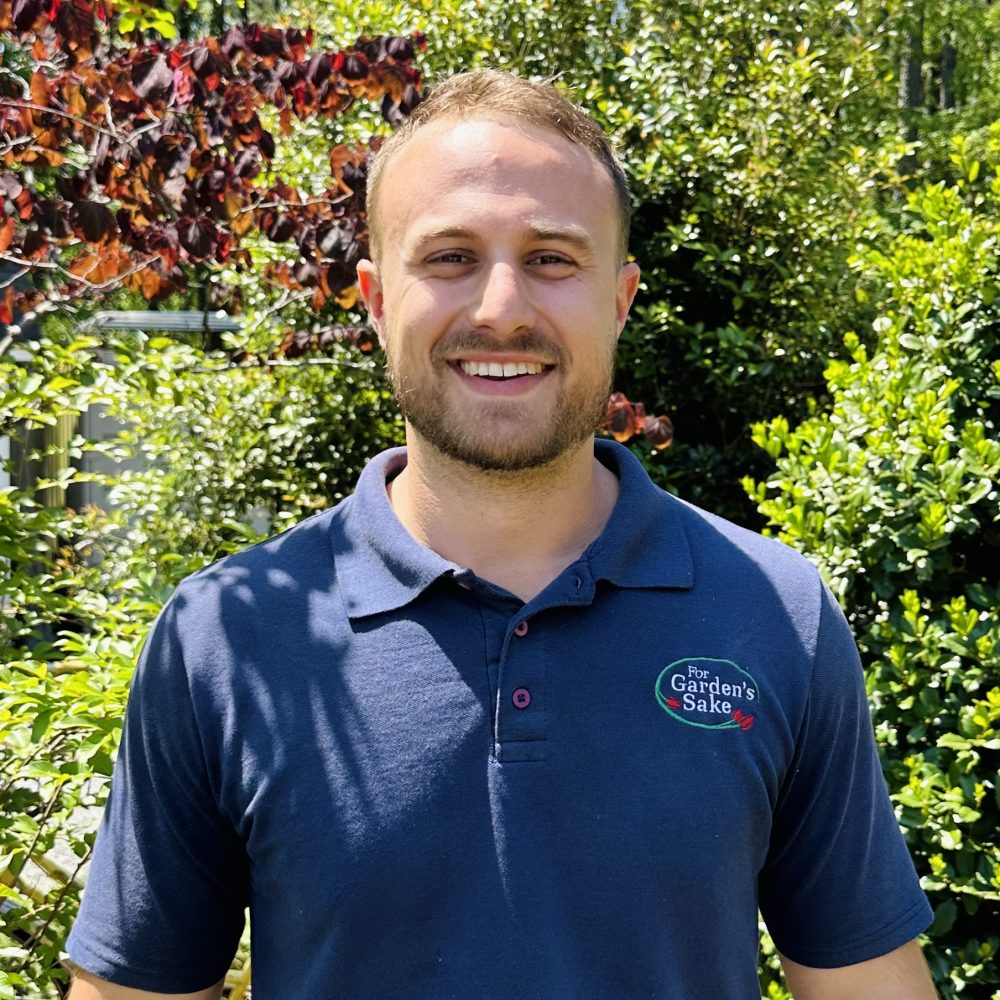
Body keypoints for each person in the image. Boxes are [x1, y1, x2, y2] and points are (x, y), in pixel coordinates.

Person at [66, 70, 938, 1000]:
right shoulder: (222, 639)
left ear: (620, 297)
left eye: (554, 258)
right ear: (372, 299)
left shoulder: (774, 615)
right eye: (448, 257)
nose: (500, 308)